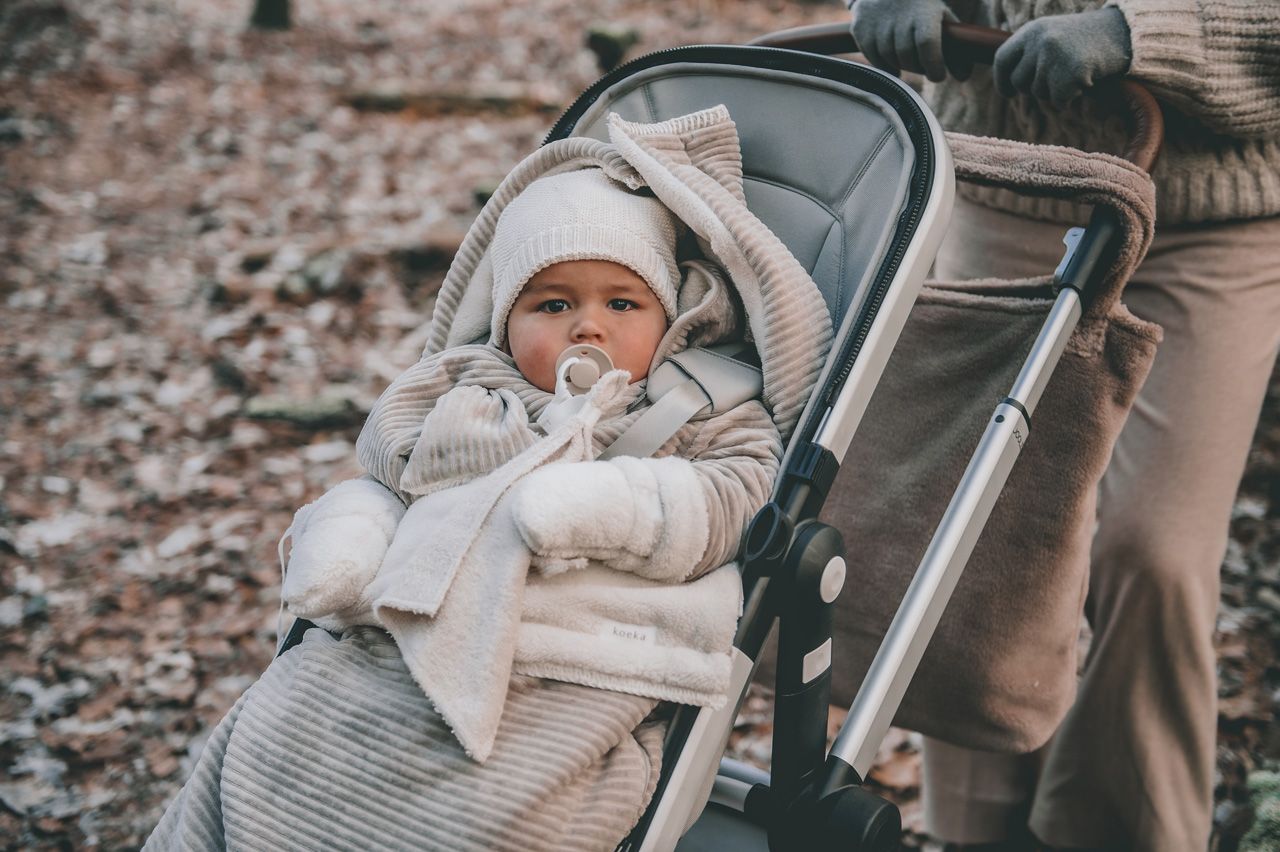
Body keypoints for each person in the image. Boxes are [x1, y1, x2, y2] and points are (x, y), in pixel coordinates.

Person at [143, 105, 833, 852]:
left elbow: (741, 492)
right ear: (505, 320)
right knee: (277, 734)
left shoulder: (704, 404)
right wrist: (361, 527)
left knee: (488, 816)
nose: (588, 325)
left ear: (670, 315)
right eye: (554, 303)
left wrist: (616, 506)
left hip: (570, 665)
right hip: (404, 640)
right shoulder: (473, 384)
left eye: (622, 302)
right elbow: (389, 459)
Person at [850, 1, 1280, 849]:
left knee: (1153, 554)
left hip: (1211, 215)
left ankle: (1119, 832)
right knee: (977, 530)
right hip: (1006, 180)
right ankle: (976, 830)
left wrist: (1143, 34)